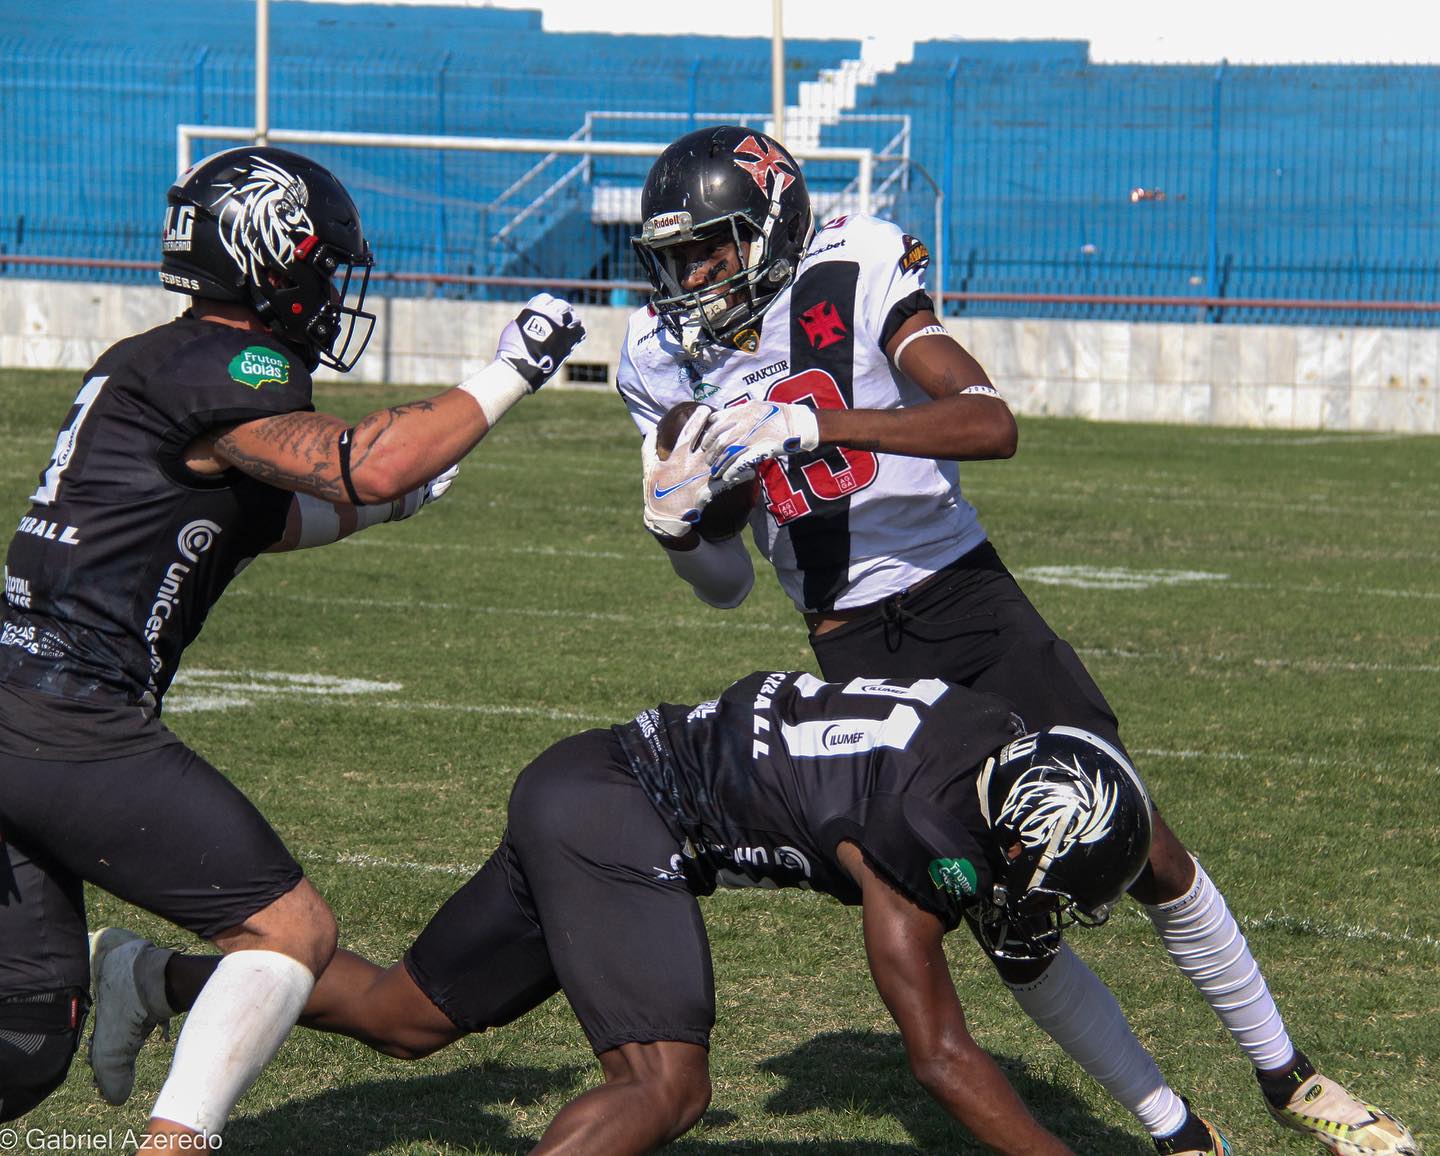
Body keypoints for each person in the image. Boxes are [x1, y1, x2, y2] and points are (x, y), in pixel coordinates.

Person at [617, 125, 1419, 1156]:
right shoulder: (659, 356)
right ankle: (1175, 1132)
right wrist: (683, 529)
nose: (690, 278)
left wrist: (825, 427)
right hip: (858, 647)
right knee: (1013, 907)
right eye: (675, 258)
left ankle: (1291, 1076)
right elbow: (725, 584)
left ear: (769, 224)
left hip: (966, 597)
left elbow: (990, 420)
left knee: (1141, 841)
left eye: (709, 250)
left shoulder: (851, 268)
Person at [0, 146, 585, 1144]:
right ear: (270, 256)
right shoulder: (232, 363)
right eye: (320, 264)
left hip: (19, 696)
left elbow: (255, 521)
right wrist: (509, 373)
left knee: (26, 1033)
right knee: (293, 931)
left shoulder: (143, 361)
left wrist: (384, 509)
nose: (327, 290)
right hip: (70, 715)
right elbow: (369, 459)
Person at [93, 670, 1187, 1154]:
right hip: (621, 815)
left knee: (401, 1015)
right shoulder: (918, 837)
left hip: (588, 780)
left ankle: (150, 977)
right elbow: (942, 1056)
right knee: (666, 1087)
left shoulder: (988, 737)